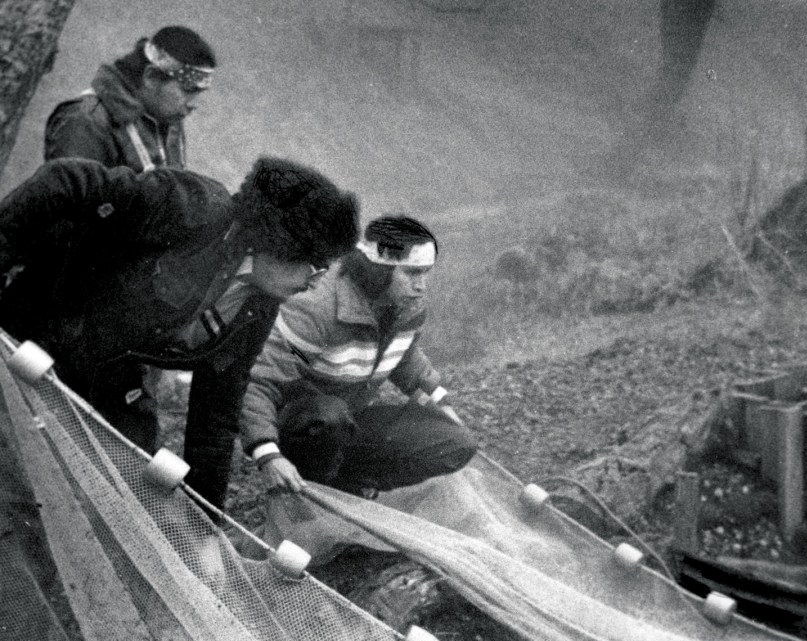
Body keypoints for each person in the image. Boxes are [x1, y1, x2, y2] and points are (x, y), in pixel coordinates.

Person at [0, 156, 360, 509]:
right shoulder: (195, 208)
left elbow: (216, 416)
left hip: (109, 372)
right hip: (33, 328)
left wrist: (206, 529)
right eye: (314, 267)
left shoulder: (258, 306)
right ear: (277, 244)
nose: (314, 284)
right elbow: (67, 179)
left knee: (127, 478)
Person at [240, 215, 477, 496]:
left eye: (426, 273)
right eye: (412, 273)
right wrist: (267, 454)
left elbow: (403, 355)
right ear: (378, 271)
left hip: (348, 419)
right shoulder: (318, 307)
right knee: (328, 417)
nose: (421, 286)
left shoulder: (405, 306)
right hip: (301, 426)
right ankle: (310, 493)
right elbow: (260, 382)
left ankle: (350, 485)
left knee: (457, 441)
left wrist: (440, 401)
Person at [44, 25, 217, 173]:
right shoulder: (85, 121)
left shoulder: (168, 120)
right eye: (188, 89)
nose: (194, 104)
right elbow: (70, 206)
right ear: (152, 77)